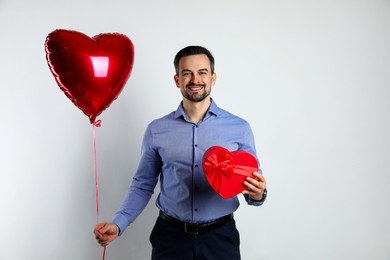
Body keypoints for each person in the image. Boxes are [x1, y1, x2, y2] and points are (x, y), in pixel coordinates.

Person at [94, 45, 267, 259]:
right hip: (170, 239)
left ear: (213, 78)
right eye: (187, 73)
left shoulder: (239, 128)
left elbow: (252, 186)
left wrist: (258, 194)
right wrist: (119, 224)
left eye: (202, 72)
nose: (195, 80)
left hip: (220, 239)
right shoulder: (156, 130)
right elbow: (143, 183)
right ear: (177, 80)